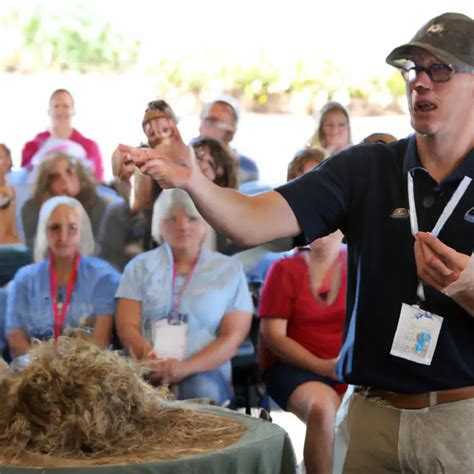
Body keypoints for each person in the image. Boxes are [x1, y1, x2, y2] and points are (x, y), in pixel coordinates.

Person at [119, 12, 474, 472]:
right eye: (413, 69)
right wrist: (193, 180)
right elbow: (251, 221)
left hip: (460, 422)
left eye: (440, 69)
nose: (420, 82)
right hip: (372, 420)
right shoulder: (366, 167)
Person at [115, 189, 252, 405]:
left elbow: (232, 337)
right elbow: (127, 326)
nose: (183, 226)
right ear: (159, 223)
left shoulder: (229, 270)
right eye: (172, 218)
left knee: (201, 391)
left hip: (204, 372)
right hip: (147, 369)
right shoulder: (138, 267)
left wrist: (183, 368)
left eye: (192, 218)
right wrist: (152, 361)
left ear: (206, 222)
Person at [259, 229, 346, 473]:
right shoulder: (284, 269)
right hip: (293, 367)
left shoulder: (359, 264)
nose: (324, 229)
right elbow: (273, 336)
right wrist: (324, 367)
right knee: (323, 409)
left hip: (346, 367)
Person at [6, 196, 120, 362]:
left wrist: (68, 372)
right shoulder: (24, 279)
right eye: (55, 228)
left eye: (72, 228)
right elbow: (16, 339)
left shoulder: (103, 277)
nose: (63, 237)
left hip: (86, 369)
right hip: (34, 370)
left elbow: (100, 341)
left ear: (82, 232)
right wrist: (42, 369)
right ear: (44, 231)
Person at [21, 153, 111, 249]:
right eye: (55, 177)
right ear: (47, 183)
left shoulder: (100, 205)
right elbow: (35, 246)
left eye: (69, 172)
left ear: (80, 176)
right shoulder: (33, 206)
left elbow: (100, 246)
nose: (64, 180)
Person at [21, 89, 104, 182]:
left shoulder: (90, 146)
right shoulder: (33, 146)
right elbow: (24, 179)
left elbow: (98, 182)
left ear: (73, 111)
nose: (60, 111)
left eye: (66, 106)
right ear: (49, 111)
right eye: (56, 106)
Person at [198, 95, 260, 185]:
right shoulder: (186, 158)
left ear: (231, 132)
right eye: (209, 120)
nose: (211, 126)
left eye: (218, 122)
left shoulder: (247, 167)